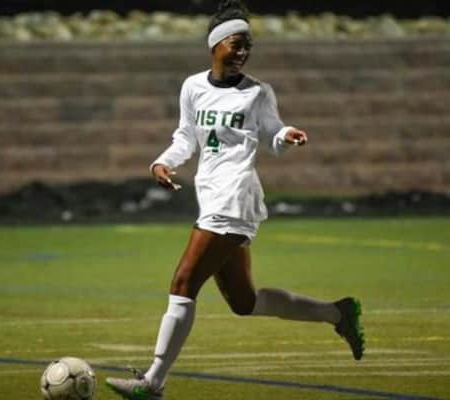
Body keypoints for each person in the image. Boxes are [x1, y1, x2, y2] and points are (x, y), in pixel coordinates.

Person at [106, 1, 365, 398]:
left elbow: (273, 132)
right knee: (244, 302)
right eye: (236, 44)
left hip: (235, 198)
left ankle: (152, 382)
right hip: (211, 197)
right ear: (215, 45)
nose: (243, 52)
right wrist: (162, 162)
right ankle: (338, 312)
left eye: (248, 46)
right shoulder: (193, 87)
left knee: (183, 281)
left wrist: (286, 135)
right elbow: (186, 136)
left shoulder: (258, 93)